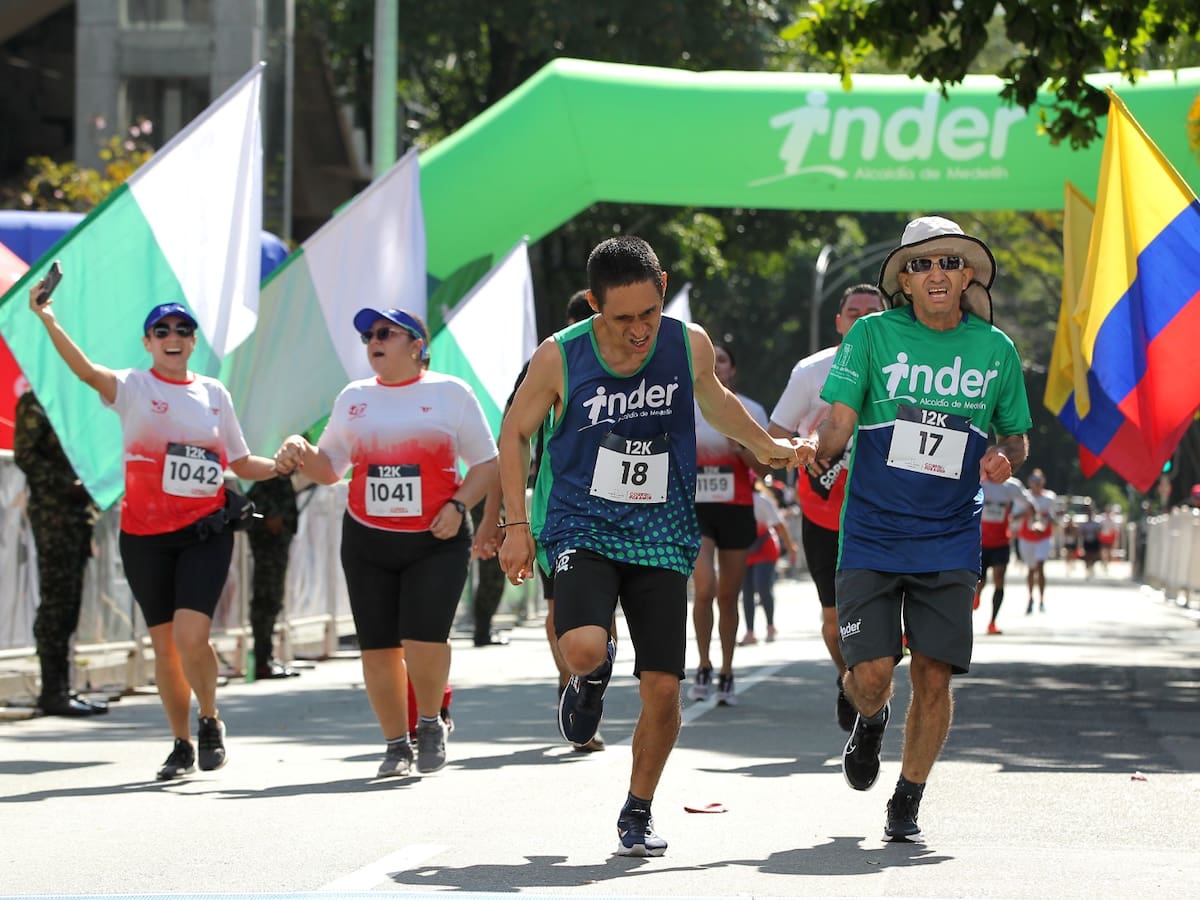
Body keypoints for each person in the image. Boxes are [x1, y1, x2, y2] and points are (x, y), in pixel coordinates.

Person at [496, 236, 802, 857]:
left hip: (662, 530)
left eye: (648, 313)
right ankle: (590, 677)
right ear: (593, 305)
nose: (639, 331)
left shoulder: (687, 344)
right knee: (580, 646)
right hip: (582, 520)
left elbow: (716, 401)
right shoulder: (560, 356)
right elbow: (514, 433)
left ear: (663, 286)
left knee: (663, 687)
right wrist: (515, 526)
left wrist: (767, 446)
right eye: (622, 318)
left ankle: (638, 810)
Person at [798, 216, 1031, 843]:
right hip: (872, 532)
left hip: (952, 532)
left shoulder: (994, 349)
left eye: (949, 263)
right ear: (904, 277)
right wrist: (817, 449)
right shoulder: (871, 335)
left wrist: (1006, 455)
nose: (936, 273)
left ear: (966, 277)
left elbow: (1016, 432)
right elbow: (841, 420)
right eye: (922, 264)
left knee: (933, 672)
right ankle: (869, 720)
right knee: (871, 676)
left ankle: (908, 796)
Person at [29, 284, 282, 780]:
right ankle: (182, 743)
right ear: (148, 343)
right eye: (161, 330)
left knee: (192, 636)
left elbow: (241, 461)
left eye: (183, 330)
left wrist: (284, 465)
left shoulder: (213, 393)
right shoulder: (131, 388)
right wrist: (48, 319)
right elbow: (84, 371)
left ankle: (209, 719)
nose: (173, 336)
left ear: (192, 342)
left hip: (204, 532)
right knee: (164, 646)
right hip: (145, 536)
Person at [274, 307, 497, 779]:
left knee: (423, 640)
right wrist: (299, 447)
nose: (372, 340)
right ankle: (396, 744)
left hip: (435, 537)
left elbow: (486, 462)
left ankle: (431, 722)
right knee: (377, 649)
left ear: (416, 344)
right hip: (367, 537)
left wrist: (458, 507)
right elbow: (330, 467)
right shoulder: (354, 398)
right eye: (367, 335)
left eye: (383, 332)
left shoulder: (449, 393)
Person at [476, 289, 608, 751]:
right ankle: (570, 687)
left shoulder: (641, 359)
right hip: (560, 509)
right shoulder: (548, 362)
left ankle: (586, 681)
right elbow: (508, 440)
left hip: (622, 510)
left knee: (603, 617)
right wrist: (499, 519)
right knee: (561, 612)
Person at [768, 283, 884, 730]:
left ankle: (872, 684)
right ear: (839, 322)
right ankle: (848, 680)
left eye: (871, 311)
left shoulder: (904, 370)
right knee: (835, 623)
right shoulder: (811, 373)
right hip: (823, 515)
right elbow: (776, 432)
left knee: (884, 620)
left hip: (883, 514)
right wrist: (804, 451)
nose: (860, 318)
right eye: (852, 312)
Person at [12, 389, 107, 718]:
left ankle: (62, 687)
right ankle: (52, 691)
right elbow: (25, 455)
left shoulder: (80, 399)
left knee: (70, 602)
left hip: (79, 515)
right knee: (56, 601)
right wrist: (67, 483)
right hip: (53, 514)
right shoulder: (38, 398)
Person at [687, 343, 768, 706]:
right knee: (704, 588)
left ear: (732, 369)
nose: (716, 365)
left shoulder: (750, 410)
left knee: (728, 596)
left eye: (722, 360)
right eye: (710, 359)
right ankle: (703, 664)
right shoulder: (683, 407)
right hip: (696, 508)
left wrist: (743, 447)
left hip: (736, 508)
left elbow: (765, 467)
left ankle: (727, 671)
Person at [245, 473, 303, 678]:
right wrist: (269, 516)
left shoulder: (281, 477)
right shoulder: (269, 475)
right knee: (266, 602)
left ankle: (266, 658)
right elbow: (252, 505)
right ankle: (262, 660)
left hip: (276, 547)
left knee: (272, 602)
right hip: (268, 546)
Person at [739, 478, 797, 645]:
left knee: (763, 586)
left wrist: (790, 547)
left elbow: (780, 525)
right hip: (745, 549)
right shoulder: (734, 501)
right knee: (747, 592)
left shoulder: (762, 500)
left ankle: (770, 626)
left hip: (766, 548)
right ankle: (750, 632)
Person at [974, 476, 1028, 635]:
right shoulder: (979, 482)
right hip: (980, 542)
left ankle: (992, 622)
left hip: (1001, 542)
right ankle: (977, 595)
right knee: (980, 581)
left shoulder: (1011, 486)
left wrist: (1018, 517)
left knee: (999, 579)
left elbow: (1029, 505)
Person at [1013, 469, 1056, 613]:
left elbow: (1053, 516)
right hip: (1026, 537)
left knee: (1041, 565)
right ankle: (1031, 597)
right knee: (1031, 569)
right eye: (1033, 480)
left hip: (1043, 537)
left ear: (1043, 481)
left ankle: (1042, 599)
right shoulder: (1023, 497)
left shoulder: (1049, 497)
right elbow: (1014, 517)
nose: (1036, 484)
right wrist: (1026, 513)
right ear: (1029, 482)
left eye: (1039, 480)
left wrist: (1045, 523)